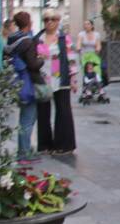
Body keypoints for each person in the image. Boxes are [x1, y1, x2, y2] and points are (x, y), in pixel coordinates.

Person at [5, 11, 45, 164]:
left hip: (16, 81)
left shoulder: (12, 39)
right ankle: (24, 153)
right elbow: (33, 64)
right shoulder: (27, 41)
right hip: (28, 82)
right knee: (28, 118)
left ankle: (23, 150)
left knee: (24, 117)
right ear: (29, 23)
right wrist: (41, 59)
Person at [36, 9, 77, 154]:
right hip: (43, 80)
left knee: (63, 111)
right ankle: (45, 145)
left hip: (61, 79)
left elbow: (71, 58)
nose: (49, 22)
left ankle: (64, 145)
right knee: (43, 113)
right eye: (46, 19)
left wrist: (73, 78)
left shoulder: (63, 38)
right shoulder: (38, 38)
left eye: (52, 19)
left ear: (58, 21)